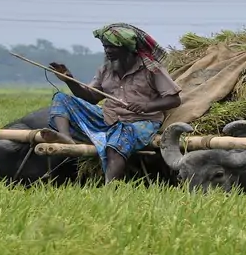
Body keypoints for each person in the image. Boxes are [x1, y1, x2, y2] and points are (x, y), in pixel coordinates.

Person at [46, 23, 182, 183]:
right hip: (108, 119)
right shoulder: (105, 69)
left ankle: (110, 191)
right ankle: (65, 138)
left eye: (112, 47)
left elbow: (174, 99)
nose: (107, 51)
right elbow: (91, 97)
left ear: (128, 48)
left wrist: (147, 106)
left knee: (115, 145)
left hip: (139, 123)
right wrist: (70, 81)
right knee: (61, 99)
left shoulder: (152, 70)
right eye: (105, 47)